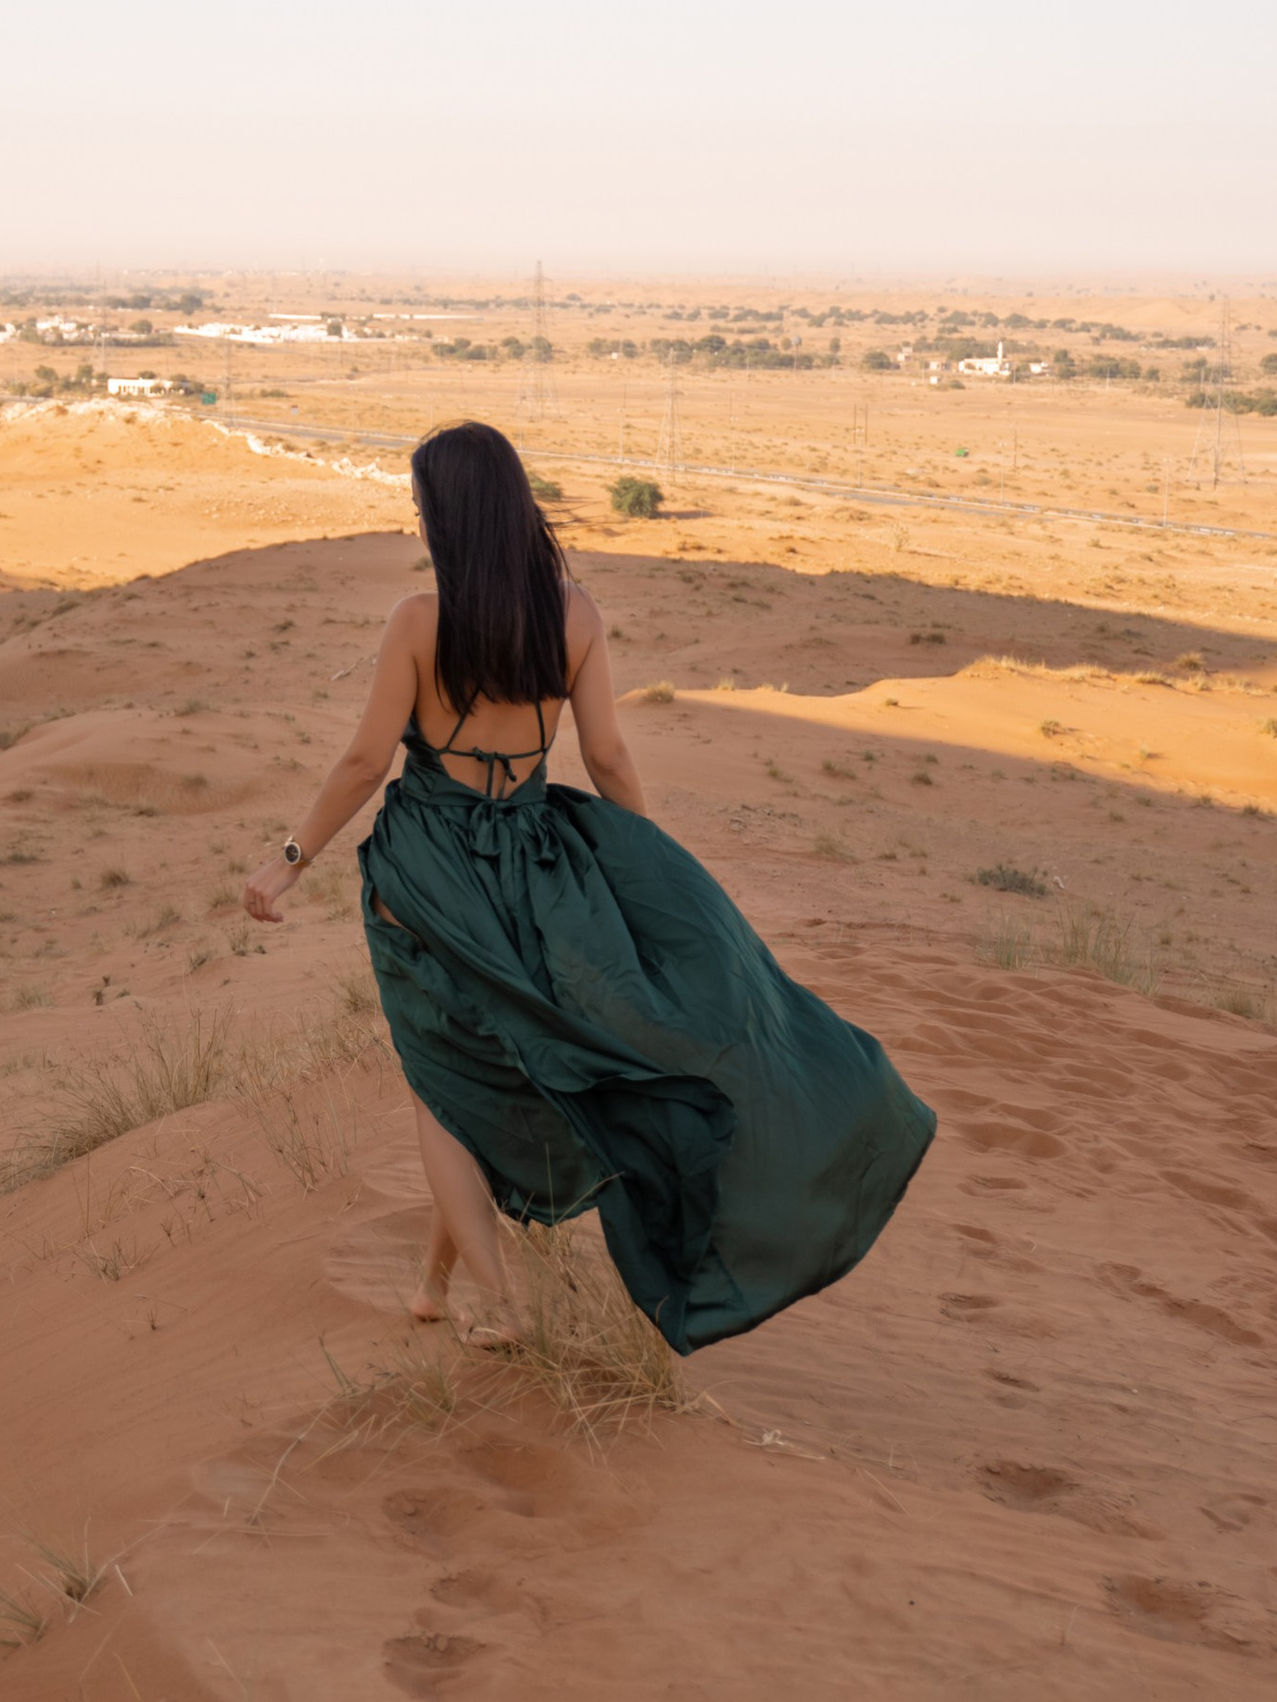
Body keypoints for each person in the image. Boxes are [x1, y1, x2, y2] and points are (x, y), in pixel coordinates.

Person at [242, 419, 935, 1349]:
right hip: (535, 866)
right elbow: (606, 754)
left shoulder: (418, 620)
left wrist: (288, 860)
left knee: (439, 1084)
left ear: (449, 516)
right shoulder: (573, 615)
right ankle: (433, 1286)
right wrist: (647, 868)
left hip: (431, 873)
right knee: (466, 1073)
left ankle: (500, 1303)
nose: (416, 517)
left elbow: (367, 760)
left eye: (420, 504)